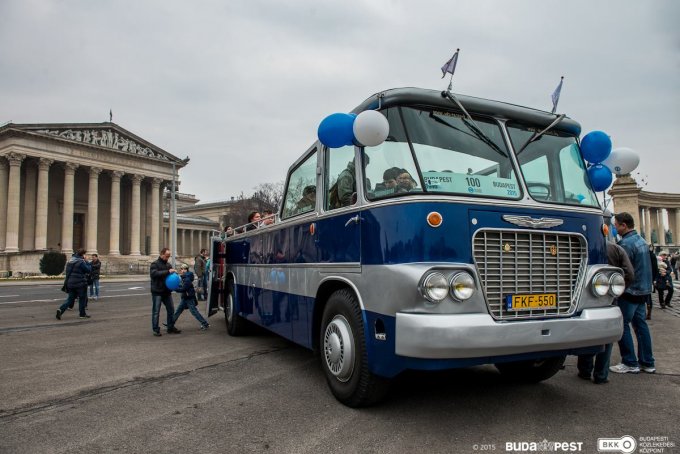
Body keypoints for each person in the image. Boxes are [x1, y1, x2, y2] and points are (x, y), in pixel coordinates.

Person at [577, 240, 635, 384]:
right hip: (608, 295)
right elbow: (629, 273)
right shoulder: (616, 248)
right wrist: (616, 291)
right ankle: (601, 375)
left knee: (587, 331)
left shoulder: (588, 244)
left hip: (586, 295)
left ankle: (585, 370)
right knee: (607, 337)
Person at [609, 212, 655, 374]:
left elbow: (625, 271)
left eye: (616, 225)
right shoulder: (642, 241)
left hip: (630, 291)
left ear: (623, 225)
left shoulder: (626, 244)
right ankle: (647, 362)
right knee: (641, 326)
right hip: (643, 290)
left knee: (622, 326)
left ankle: (629, 362)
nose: (615, 227)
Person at [150, 248, 181, 336]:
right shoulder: (154, 264)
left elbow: (172, 278)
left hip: (166, 291)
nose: (167, 258)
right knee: (156, 311)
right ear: (162, 254)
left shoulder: (168, 265)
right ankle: (156, 330)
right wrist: (168, 271)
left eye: (169, 256)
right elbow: (154, 274)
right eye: (167, 256)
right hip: (157, 291)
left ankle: (170, 327)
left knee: (171, 310)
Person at [56, 248, 92, 320]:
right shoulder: (81, 262)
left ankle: (61, 309)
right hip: (80, 283)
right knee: (82, 298)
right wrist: (87, 262)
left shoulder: (70, 261)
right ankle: (82, 314)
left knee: (70, 298)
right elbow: (88, 270)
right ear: (83, 255)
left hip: (70, 283)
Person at [172, 264, 209, 330]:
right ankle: (170, 324)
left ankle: (205, 324)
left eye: (185, 269)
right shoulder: (184, 277)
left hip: (189, 298)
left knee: (194, 312)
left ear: (187, 270)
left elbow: (184, 289)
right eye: (182, 269)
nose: (183, 271)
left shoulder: (187, 279)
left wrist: (175, 288)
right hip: (185, 297)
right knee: (178, 311)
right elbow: (182, 287)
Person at [646, 245, 659, 320]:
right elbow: (655, 268)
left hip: (646, 277)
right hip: (650, 277)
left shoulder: (648, 255)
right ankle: (649, 311)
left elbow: (655, 268)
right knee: (648, 295)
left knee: (647, 296)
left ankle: (648, 311)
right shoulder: (652, 255)